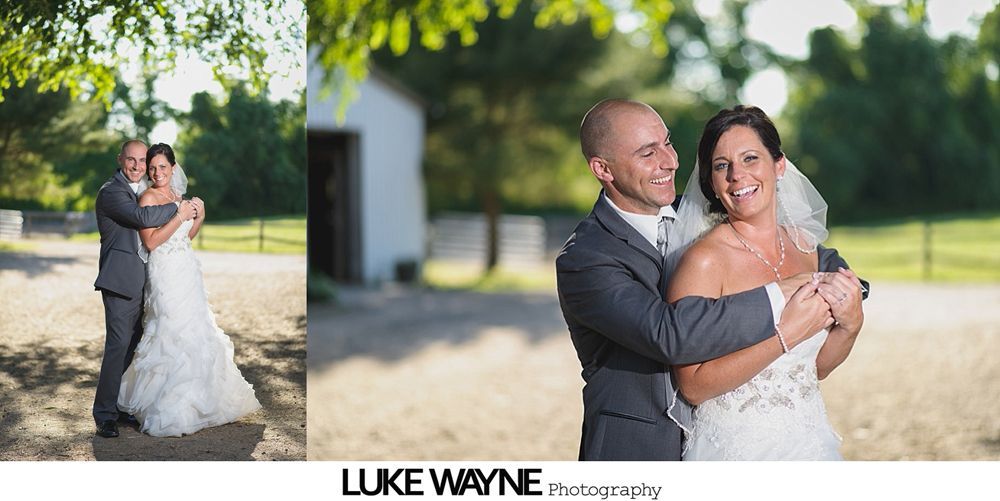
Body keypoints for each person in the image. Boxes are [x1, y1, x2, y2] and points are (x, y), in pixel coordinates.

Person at [555, 99, 864, 460]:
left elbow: (811, 259)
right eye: (647, 153)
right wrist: (780, 299)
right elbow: (668, 334)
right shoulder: (586, 258)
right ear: (603, 169)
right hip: (641, 450)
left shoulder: (699, 212)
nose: (669, 161)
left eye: (667, 143)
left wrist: (847, 293)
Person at [666, 106, 864, 460]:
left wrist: (850, 326)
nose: (736, 176)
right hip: (736, 452)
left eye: (750, 158)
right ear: (711, 181)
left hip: (810, 444)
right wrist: (784, 336)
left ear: (779, 165)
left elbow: (813, 369)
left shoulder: (806, 249)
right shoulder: (704, 261)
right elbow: (693, 386)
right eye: (721, 165)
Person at [117, 143, 261, 437]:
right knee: (170, 331)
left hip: (187, 272)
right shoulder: (146, 198)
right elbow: (152, 242)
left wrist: (199, 217)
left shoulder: (177, 196)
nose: (157, 173)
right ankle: (169, 406)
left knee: (196, 330)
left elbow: (186, 237)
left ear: (173, 167)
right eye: (153, 167)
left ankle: (201, 401)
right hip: (164, 273)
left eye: (163, 167)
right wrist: (180, 217)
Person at [92, 139, 195, 438]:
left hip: (147, 280)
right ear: (120, 160)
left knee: (136, 347)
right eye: (132, 160)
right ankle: (105, 415)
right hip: (121, 280)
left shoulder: (139, 190)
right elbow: (141, 219)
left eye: (142, 161)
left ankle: (121, 406)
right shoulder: (112, 192)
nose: (138, 166)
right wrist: (179, 209)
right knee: (117, 347)